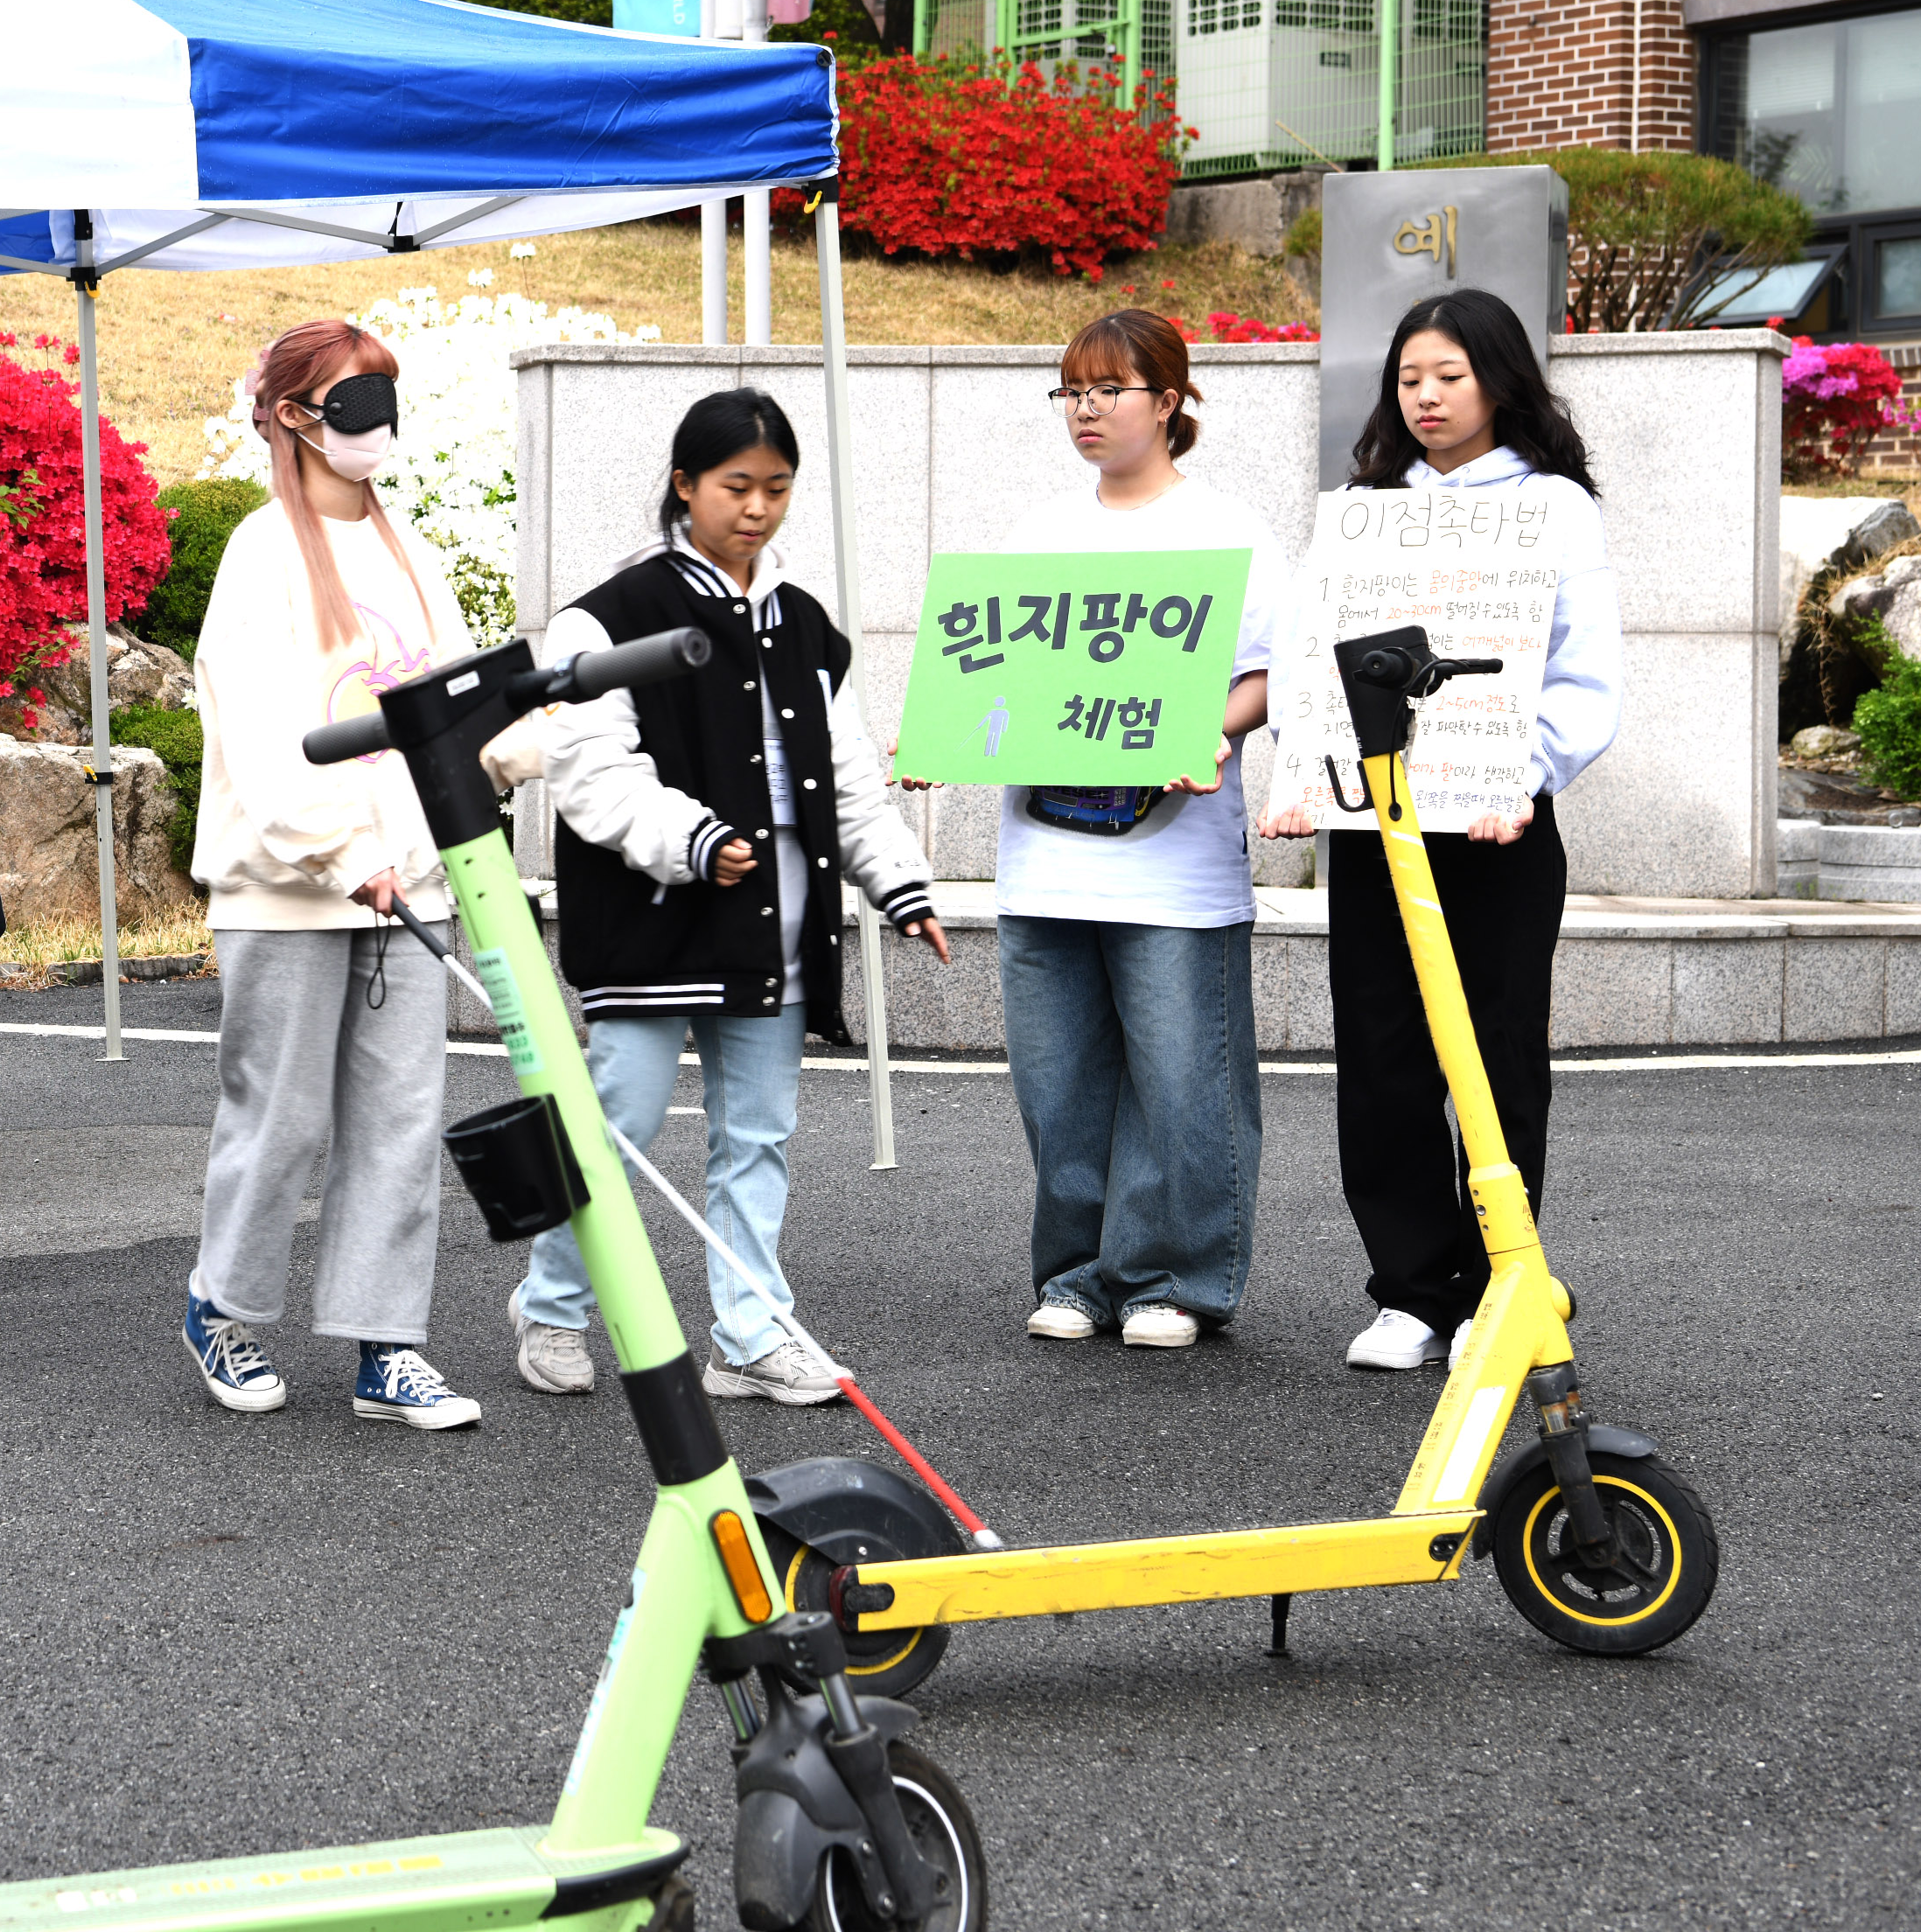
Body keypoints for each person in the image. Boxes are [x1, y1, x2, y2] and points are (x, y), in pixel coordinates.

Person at [511, 390, 950, 1404]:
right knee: (615, 1120)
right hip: (658, 919)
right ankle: (553, 1303)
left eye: (777, 489)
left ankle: (750, 1333)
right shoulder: (607, 615)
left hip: (777, 921)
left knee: (758, 1134)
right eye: (735, 487)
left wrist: (898, 885)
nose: (756, 508)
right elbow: (587, 772)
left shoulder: (806, 624)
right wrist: (692, 841)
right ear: (684, 486)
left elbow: (847, 782)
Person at [1264, 289, 1617, 1371]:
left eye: (1447, 377)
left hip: (1502, 827)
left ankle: (1498, 1284)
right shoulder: (1361, 508)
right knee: (1382, 1050)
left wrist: (1531, 770)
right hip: (1378, 826)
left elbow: (1585, 673)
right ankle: (1409, 1291)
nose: (1424, 397)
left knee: (1500, 1051)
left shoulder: (1555, 508)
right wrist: (1296, 770)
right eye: (1409, 378)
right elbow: (1303, 651)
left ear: (1501, 380)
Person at [181, 319, 483, 1430]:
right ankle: (222, 1306)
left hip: (412, 883)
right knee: (282, 1120)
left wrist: (521, 745)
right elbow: (259, 737)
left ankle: (386, 1345)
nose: (379, 426)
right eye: (355, 402)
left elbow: (448, 706)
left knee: (402, 1125)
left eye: (388, 400)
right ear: (295, 416)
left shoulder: (416, 555)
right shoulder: (262, 552)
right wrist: (342, 853)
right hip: (292, 888)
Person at [975, 310, 1285, 1350]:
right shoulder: (1034, 533)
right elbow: (991, 680)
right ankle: (1075, 1274)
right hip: (1043, 853)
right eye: (1070, 390)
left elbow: (1265, 674)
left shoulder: (1230, 531)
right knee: (1057, 1085)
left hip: (1173, 862)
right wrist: (948, 737)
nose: (1087, 410)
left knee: (1182, 1082)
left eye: (1110, 388)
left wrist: (1210, 728)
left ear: (1169, 400)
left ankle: (1174, 1277)